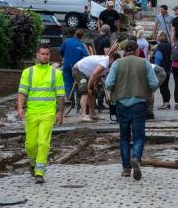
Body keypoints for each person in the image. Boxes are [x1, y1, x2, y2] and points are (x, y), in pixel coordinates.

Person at [105, 41, 158, 180]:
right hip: (139, 103)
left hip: (121, 104)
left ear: (124, 51)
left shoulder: (117, 63)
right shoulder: (144, 63)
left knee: (124, 137)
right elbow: (154, 83)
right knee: (139, 136)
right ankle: (136, 157)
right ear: (137, 50)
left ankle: (126, 168)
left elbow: (108, 83)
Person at [17, 46, 66, 183]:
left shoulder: (55, 74)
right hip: (32, 113)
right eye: (42, 54)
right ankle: (33, 164)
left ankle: (39, 172)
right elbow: (22, 91)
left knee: (43, 142)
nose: (45, 56)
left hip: (48, 113)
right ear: (37, 55)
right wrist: (20, 107)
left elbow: (61, 95)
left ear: (50, 56)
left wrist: (60, 113)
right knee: (30, 145)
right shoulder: (28, 72)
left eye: (47, 54)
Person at [72, 53, 116, 121]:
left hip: (87, 73)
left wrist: (95, 85)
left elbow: (99, 75)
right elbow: (94, 73)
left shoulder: (109, 66)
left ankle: (92, 114)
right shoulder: (105, 61)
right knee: (85, 92)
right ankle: (84, 116)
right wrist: (89, 87)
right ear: (112, 58)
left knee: (92, 93)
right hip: (78, 70)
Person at [61, 29, 89, 101]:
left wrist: (64, 57)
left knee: (67, 82)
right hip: (76, 66)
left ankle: (69, 99)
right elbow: (86, 55)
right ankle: (79, 100)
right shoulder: (81, 44)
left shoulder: (67, 41)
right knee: (78, 81)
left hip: (66, 65)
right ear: (82, 37)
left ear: (75, 34)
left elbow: (61, 50)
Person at [154, 31, 173, 110]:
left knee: (162, 87)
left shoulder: (160, 46)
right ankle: (167, 102)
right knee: (166, 86)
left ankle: (165, 103)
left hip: (161, 68)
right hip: (168, 67)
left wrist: (155, 66)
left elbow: (158, 57)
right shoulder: (169, 45)